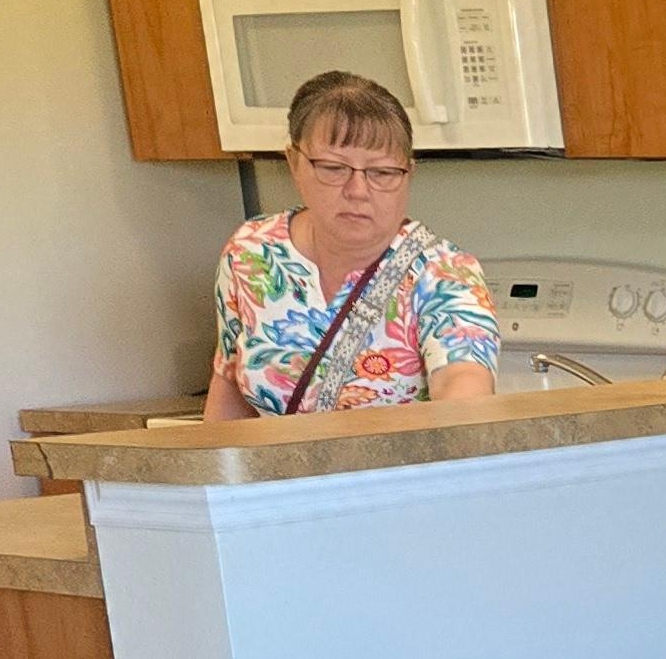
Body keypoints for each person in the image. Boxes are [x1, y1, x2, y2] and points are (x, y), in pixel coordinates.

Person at [201, 73, 500, 417]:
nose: (358, 191)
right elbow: (229, 382)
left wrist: (465, 410)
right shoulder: (251, 252)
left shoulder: (445, 274)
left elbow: (464, 387)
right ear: (294, 163)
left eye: (382, 173)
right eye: (333, 168)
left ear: (408, 174)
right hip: (276, 456)